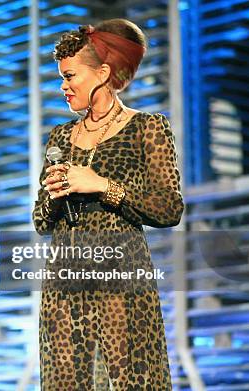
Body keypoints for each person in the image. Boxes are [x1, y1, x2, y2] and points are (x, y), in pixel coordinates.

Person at [32, 19, 184, 390]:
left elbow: (169, 208)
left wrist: (102, 185)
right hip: (64, 287)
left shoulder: (147, 128)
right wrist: (53, 196)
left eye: (70, 77)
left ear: (102, 73)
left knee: (133, 380)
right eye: (61, 78)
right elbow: (40, 221)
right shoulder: (60, 137)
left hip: (122, 285)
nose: (63, 87)